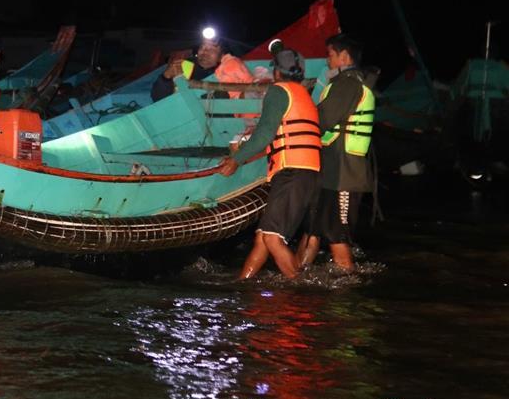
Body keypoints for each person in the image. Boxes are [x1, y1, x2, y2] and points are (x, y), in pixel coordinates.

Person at [216, 46, 321, 279]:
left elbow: (264, 135)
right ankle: (242, 283)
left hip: (293, 172)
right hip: (306, 172)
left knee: (272, 238)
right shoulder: (302, 93)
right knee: (263, 237)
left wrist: (236, 159)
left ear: (276, 72)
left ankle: (303, 293)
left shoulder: (278, 91)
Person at [295, 34, 376, 272]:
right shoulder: (346, 83)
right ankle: (294, 276)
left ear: (344, 56)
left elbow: (321, 119)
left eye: (329, 54)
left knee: (336, 233)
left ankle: (345, 299)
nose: (326, 59)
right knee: (312, 228)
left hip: (344, 174)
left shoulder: (348, 84)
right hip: (329, 171)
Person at [150, 36, 254, 102]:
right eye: (202, 47)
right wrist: (166, 77)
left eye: (211, 49)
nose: (204, 52)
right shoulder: (184, 65)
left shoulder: (228, 69)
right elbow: (157, 97)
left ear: (222, 53)